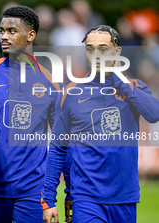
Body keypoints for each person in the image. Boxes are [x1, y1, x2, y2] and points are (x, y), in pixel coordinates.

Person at [42, 25, 159, 223]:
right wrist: (49, 200)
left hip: (125, 199)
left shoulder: (134, 88)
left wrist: (119, 79)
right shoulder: (70, 93)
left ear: (118, 51)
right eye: (90, 49)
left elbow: (154, 114)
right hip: (87, 198)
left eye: (103, 49)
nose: (96, 55)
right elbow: (58, 149)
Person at [0, 5, 70, 223]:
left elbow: (62, 144)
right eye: (1, 31)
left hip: (33, 192)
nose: (4, 37)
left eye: (11, 31)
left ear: (30, 35)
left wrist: (65, 194)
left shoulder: (51, 83)